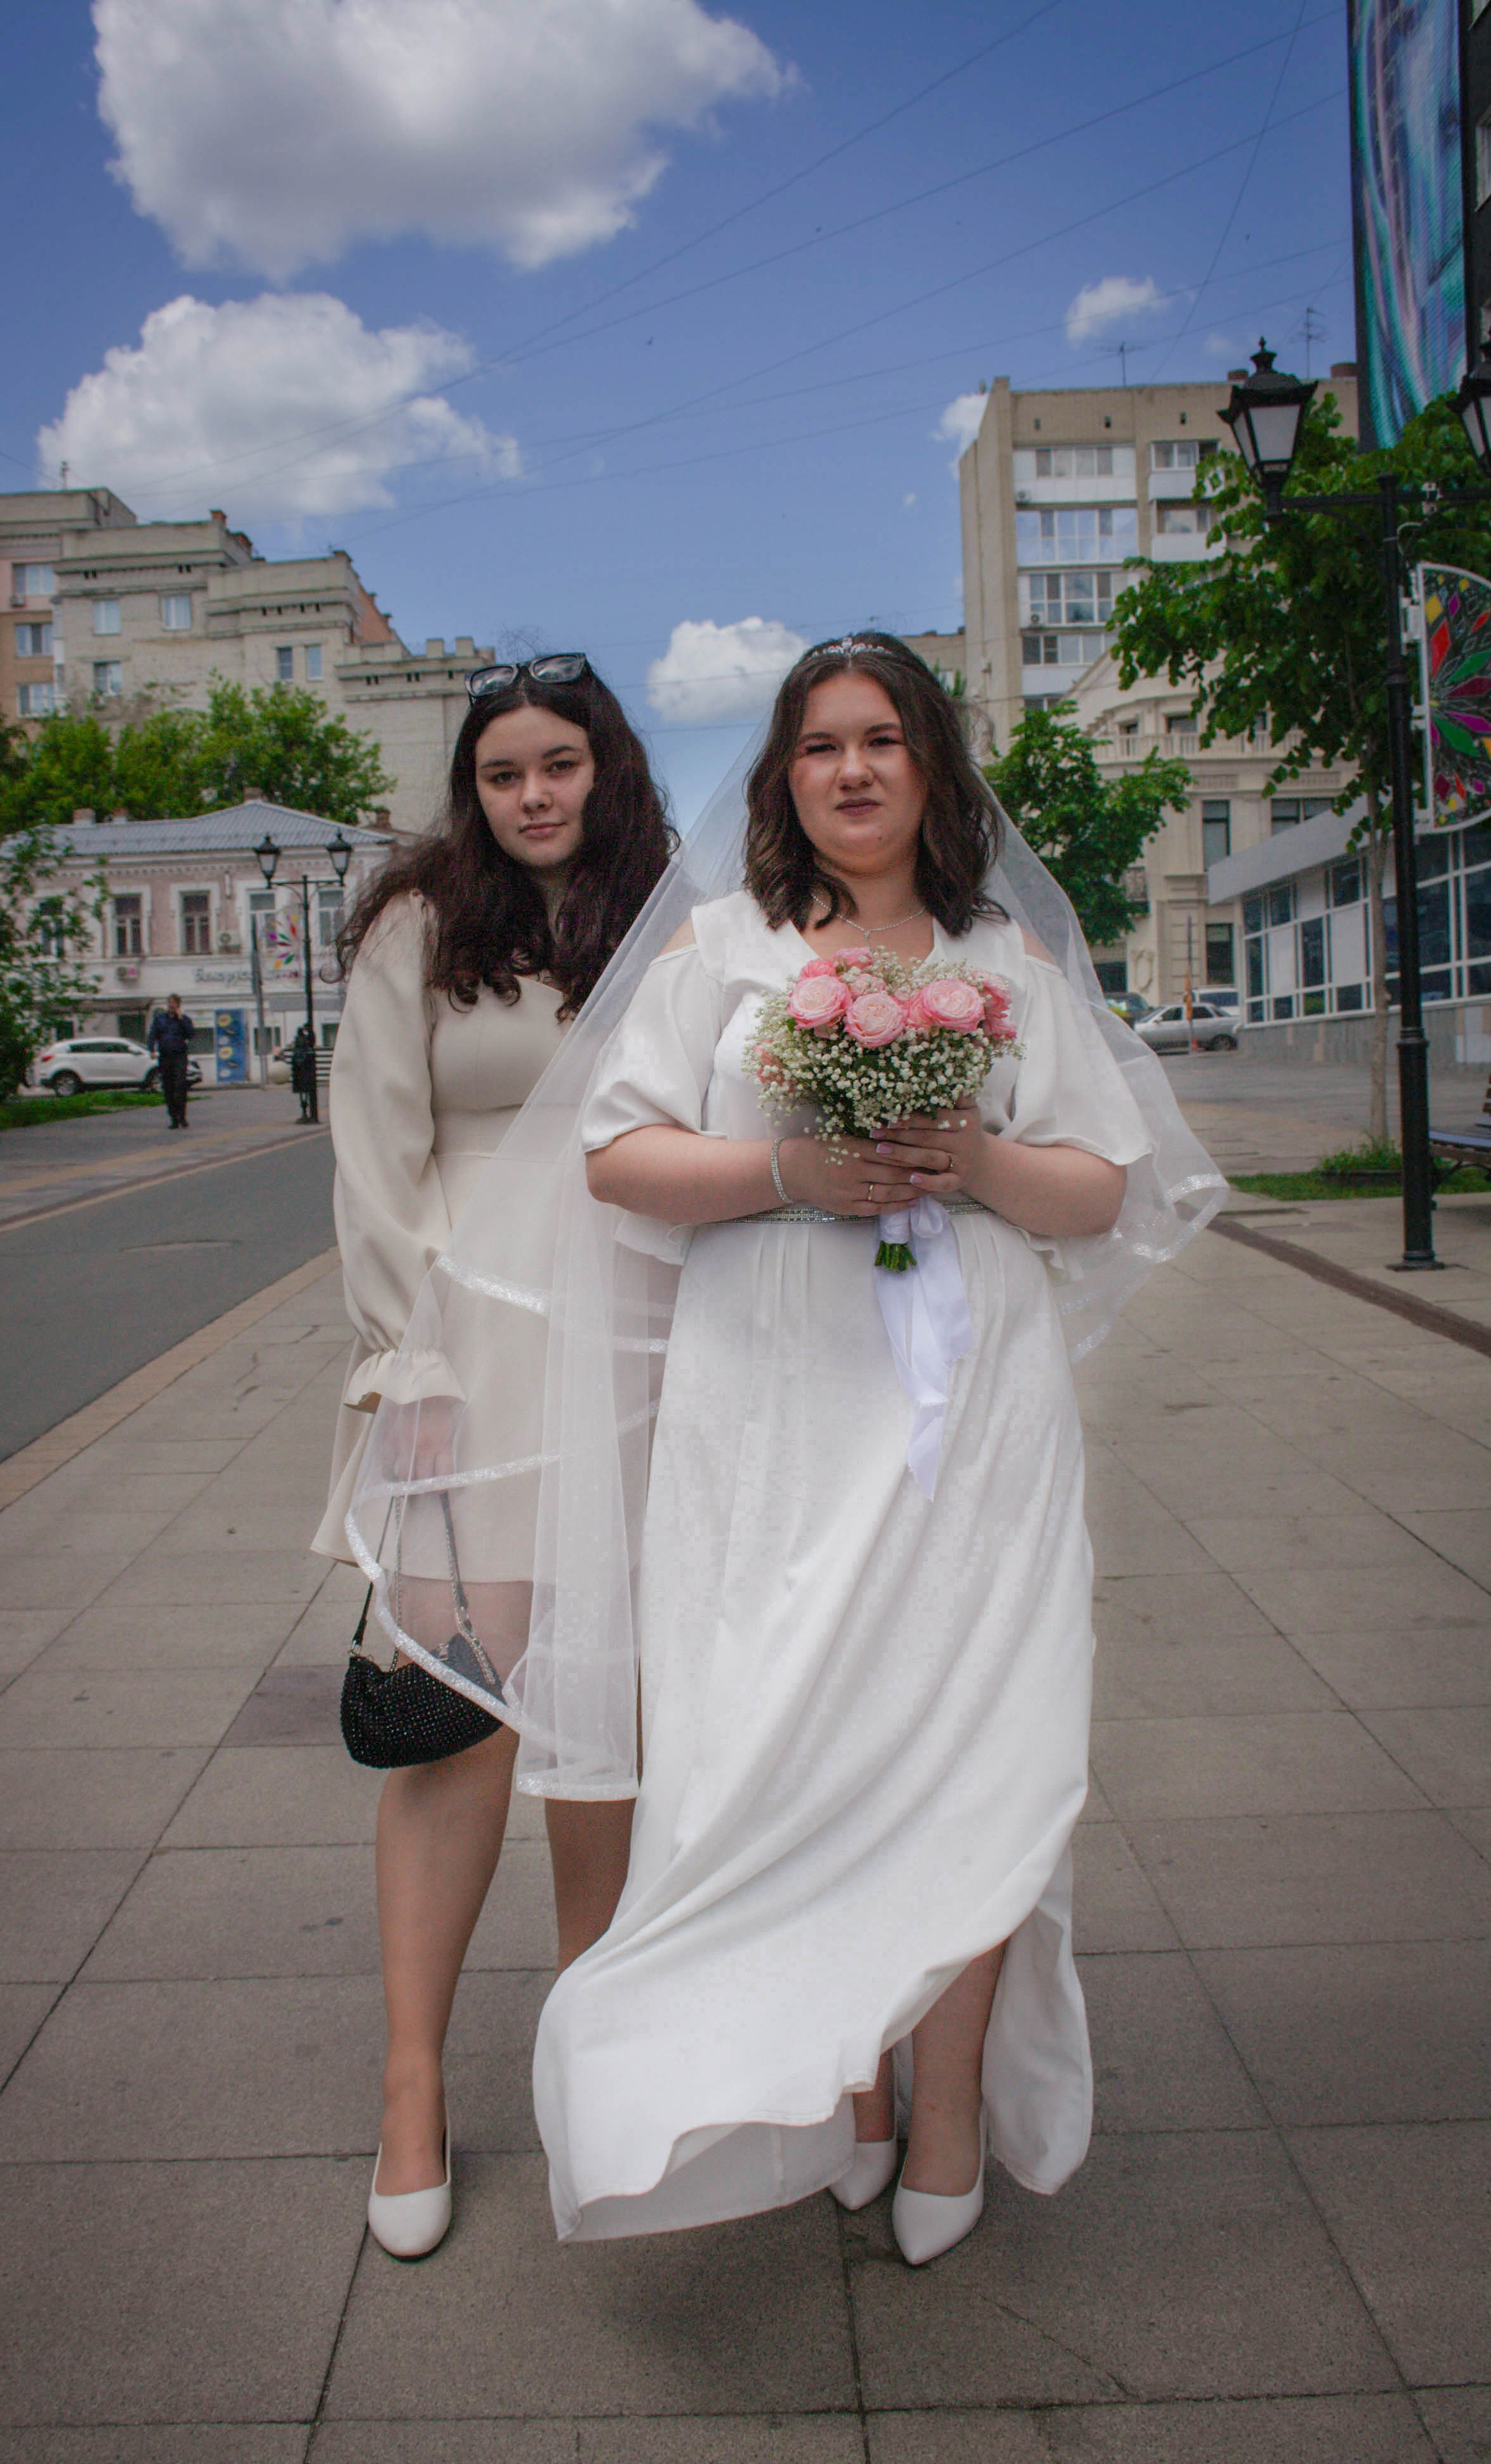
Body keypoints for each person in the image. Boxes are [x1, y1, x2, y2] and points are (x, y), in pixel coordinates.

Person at [521, 635, 1223, 2259]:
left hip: (968, 1407)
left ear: (929, 768)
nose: (850, 770)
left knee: (974, 1743)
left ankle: (949, 2102)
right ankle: (839, 2086)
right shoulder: (719, 944)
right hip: (765, 1409)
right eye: (820, 744)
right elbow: (615, 1154)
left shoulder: (1003, 956)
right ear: (782, 774)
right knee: (784, 1742)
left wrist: (966, 1156)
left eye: (882, 740)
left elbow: (1098, 1186)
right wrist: (790, 1172)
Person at [315, 652, 675, 2262]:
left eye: (559, 765)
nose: (533, 795)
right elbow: (375, 1150)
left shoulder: (664, 918)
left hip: (642, 1356)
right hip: (472, 1359)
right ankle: (413, 2085)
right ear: (470, 788)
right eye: (502, 771)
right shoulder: (419, 923)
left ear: (607, 769)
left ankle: (591, 2054)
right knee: (457, 1721)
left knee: (607, 1714)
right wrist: (409, 1360)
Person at [146, 993, 193, 1127]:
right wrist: (152, 1049)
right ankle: (174, 1118)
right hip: (165, 1056)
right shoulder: (160, 1019)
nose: (172, 1005)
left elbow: (191, 1034)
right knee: (168, 1087)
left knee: (180, 1085)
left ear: (178, 1005)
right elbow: (152, 1035)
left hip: (180, 1056)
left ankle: (182, 1116)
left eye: (174, 1003)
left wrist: (181, 1019)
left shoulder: (184, 1019)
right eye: (170, 1003)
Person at [289, 1021, 317, 1123]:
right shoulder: (307, 1042)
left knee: (304, 1093)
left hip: (302, 1071)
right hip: (305, 1071)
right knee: (306, 1092)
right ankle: (307, 1113)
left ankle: (306, 1113)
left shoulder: (302, 1042)